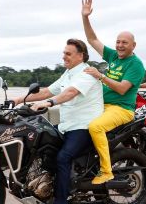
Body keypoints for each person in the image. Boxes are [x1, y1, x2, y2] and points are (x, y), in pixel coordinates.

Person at [13, 39, 103, 204]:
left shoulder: (87, 73)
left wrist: (50, 103)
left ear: (80, 56)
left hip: (84, 126)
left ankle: (61, 200)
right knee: (42, 143)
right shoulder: (68, 73)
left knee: (63, 157)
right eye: (64, 53)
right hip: (67, 125)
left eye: (68, 54)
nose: (64, 57)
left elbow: (70, 92)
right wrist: (18, 99)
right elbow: (47, 91)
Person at [81, 0, 145, 184]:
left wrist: (100, 76)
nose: (119, 45)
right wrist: (85, 17)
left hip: (121, 109)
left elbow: (122, 89)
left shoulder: (135, 64)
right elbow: (92, 39)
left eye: (124, 42)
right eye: (118, 42)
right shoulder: (113, 56)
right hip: (103, 105)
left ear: (133, 45)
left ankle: (106, 171)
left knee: (95, 127)